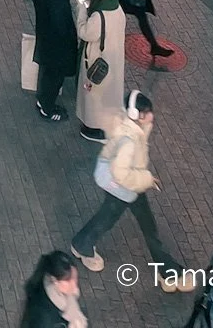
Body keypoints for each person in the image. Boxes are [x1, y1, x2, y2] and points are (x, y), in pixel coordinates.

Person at [69, 93, 189, 289]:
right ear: (137, 115)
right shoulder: (129, 141)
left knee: (141, 223)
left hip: (129, 184)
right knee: (112, 220)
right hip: (122, 186)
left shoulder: (133, 128)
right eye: (147, 113)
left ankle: (167, 269)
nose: (152, 115)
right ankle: (82, 244)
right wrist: (146, 179)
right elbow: (120, 173)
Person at [31, 0, 79, 122]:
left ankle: (42, 98)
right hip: (56, 41)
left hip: (43, 31)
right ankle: (47, 107)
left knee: (46, 70)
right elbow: (60, 20)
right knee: (54, 74)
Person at [76, 0, 125, 143]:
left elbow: (85, 33)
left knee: (94, 96)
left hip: (97, 62)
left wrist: (82, 10)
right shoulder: (118, 9)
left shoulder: (99, 16)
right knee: (110, 95)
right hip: (114, 60)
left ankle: (94, 128)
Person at [18, 251, 86, 328]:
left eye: (74, 278)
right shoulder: (46, 318)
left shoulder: (44, 281)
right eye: (68, 281)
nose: (74, 286)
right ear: (55, 281)